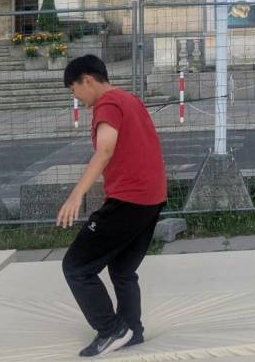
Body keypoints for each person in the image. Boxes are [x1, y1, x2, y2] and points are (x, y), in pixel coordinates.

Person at [57, 55, 167, 356]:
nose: (76, 98)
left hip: (129, 200)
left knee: (76, 267)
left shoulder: (106, 104)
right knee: (122, 269)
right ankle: (132, 330)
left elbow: (105, 149)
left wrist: (76, 195)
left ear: (87, 80)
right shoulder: (130, 100)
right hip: (151, 199)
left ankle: (112, 329)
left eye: (74, 89)